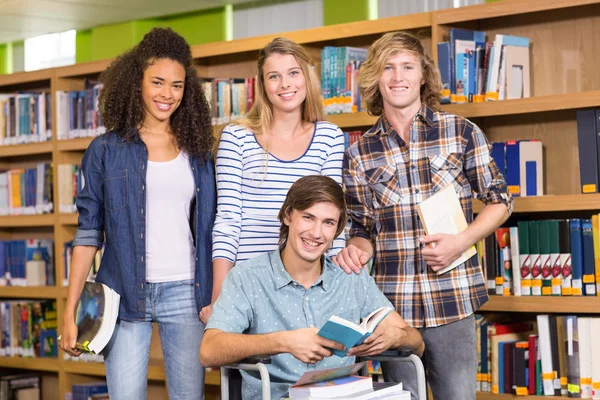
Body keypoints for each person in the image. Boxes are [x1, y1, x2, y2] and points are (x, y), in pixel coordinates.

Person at [335, 32, 513, 400]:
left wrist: (460, 241)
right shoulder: (359, 153)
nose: (397, 77)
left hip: (453, 298)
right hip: (391, 309)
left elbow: (500, 201)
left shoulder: (460, 132)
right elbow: (361, 227)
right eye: (388, 68)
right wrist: (356, 247)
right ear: (375, 79)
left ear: (423, 77)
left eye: (407, 67)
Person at [59, 28, 215, 400]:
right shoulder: (105, 151)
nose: (167, 94)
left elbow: (212, 227)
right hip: (123, 292)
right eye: (157, 82)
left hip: (187, 290)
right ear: (136, 82)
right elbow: (87, 235)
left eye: (176, 85)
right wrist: (71, 311)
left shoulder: (199, 151)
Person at [200, 175, 424, 400]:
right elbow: (209, 351)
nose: (317, 233)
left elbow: (417, 343)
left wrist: (396, 337)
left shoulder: (352, 279)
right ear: (288, 216)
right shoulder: (247, 277)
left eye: (328, 222)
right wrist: (284, 342)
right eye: (308, 217)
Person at [201, 37, 346, 323]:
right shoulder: (236, 137)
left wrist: (338, 286)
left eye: (293, 73)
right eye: (274, 76)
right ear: (263, 85)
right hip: (248, 283)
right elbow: (228, 220)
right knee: (252, 365)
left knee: (314, 365)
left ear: (307, 77)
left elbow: (331, 218)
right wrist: (220, 295)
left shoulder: (329, 137)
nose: (285, 84)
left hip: (305, 283)